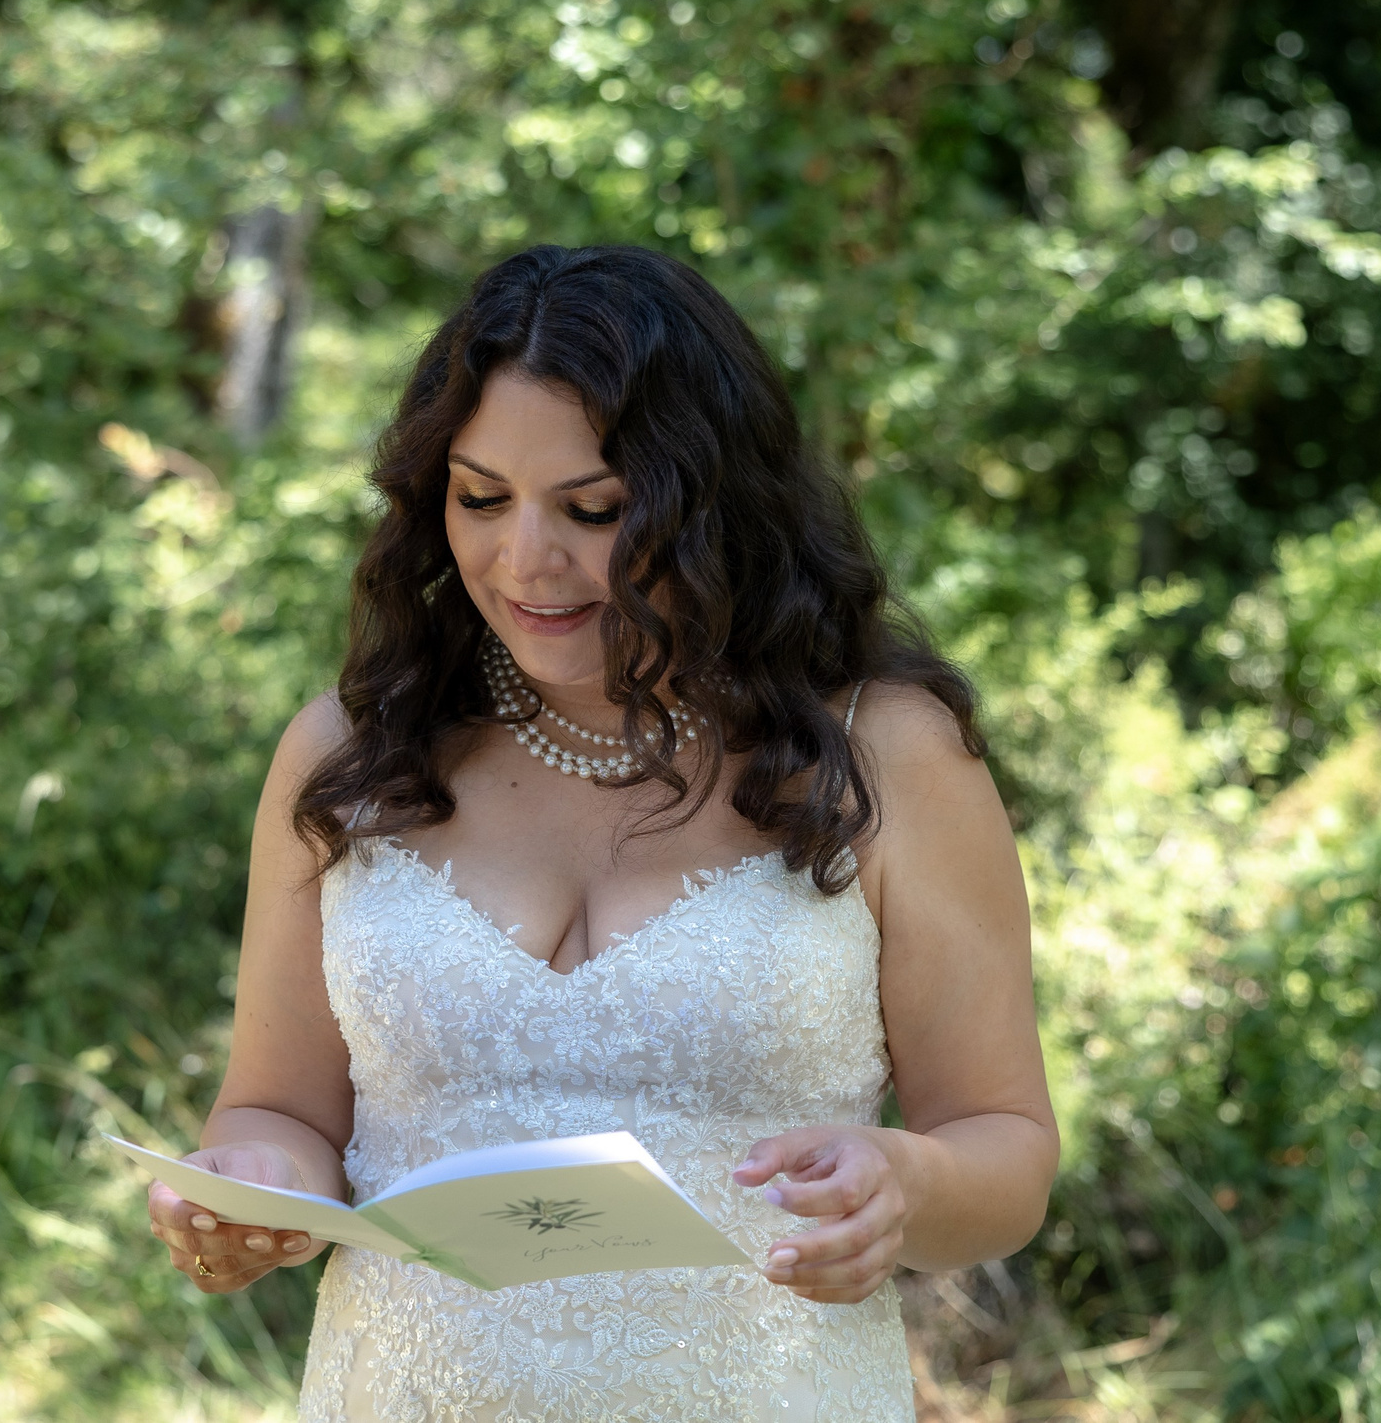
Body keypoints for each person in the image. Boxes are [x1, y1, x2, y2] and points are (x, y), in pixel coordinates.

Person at [145, 245, 1059, 1421]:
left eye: (594, 510)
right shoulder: (347, 759)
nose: (527, 559)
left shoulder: (885, 754)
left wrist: (910, 1183)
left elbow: (1006, 1148)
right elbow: (277, 1108)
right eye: (480, 498)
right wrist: (252, 1189)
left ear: (709, 499)